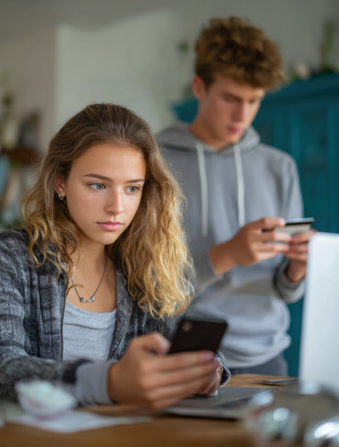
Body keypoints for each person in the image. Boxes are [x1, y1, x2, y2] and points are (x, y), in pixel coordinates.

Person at [0, 103, 229, 408]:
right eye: (98, 185)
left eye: (132, 189)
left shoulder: (140, 267)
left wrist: (205, 372)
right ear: (60, 183)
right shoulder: (11, 258)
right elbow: (6, 367)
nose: (117, 207)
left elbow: (192, 351)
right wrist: (110, 381)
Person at [157, 17, 315, 376]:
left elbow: (286, 292)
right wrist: (226, 255)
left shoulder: (280, 167)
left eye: (254, 100)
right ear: (199, 87)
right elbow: (146, 286)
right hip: (187, 356)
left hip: (269, 359)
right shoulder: (154, 162)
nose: (242, 115)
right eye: (230, 98)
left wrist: (298, 269)